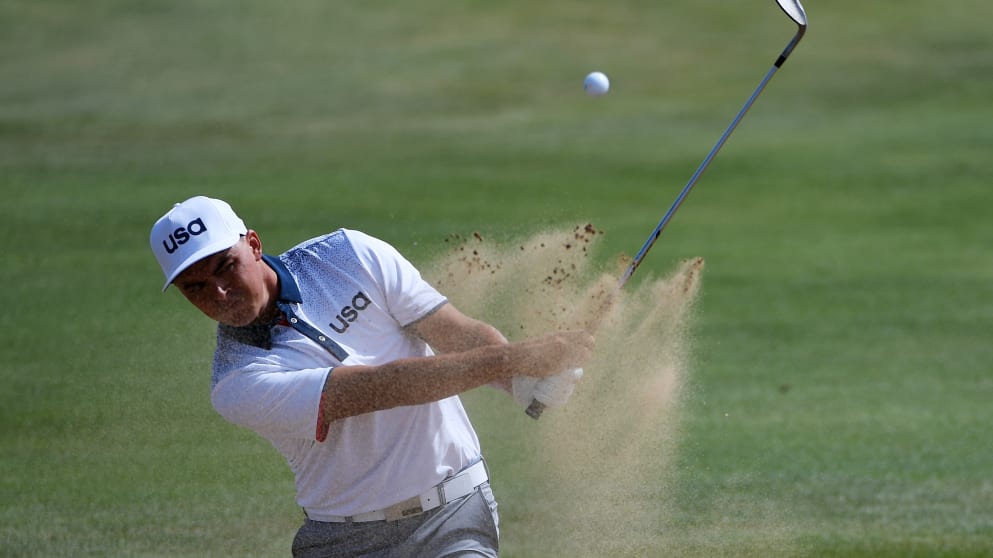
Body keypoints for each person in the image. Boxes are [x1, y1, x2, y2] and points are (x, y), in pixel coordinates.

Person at [150, 196, 594, 557]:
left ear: (253, 244)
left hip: (454, 515)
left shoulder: (348, 254)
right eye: (195, 287)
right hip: (344, 543)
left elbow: (454, 333)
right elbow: (381, 388)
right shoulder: (236, 381)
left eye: (226, 266)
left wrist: (523, 383)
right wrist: (514, 361)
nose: (220, 293)